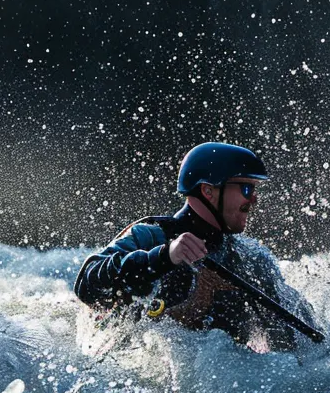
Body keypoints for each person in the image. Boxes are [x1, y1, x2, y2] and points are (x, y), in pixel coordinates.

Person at [75, 142, 316, 353]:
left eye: (253, 189)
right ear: (208, 191)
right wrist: (165, 257)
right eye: (245, 188)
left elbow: (291, 343)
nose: (253, 199)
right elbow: (87, 285)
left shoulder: (249, 258)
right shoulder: (151, 236)